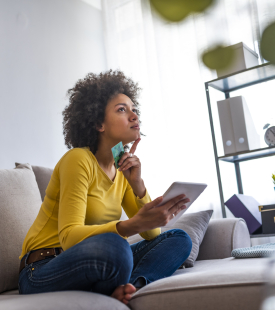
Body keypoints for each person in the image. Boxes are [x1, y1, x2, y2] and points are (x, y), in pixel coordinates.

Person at [18, 69, 192, 305]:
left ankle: (134, 286)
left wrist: (138, 184)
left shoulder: (123, 170)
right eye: (122, 109)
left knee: (179, 238)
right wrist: (131, 225)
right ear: (98, 123)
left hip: (95, 260)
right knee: (115, 246)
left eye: (134, 109)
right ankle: (116, 286)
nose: (134, 116)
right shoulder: (78, 159)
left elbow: (151, 234)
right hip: (43, 268)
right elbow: (69, 238)